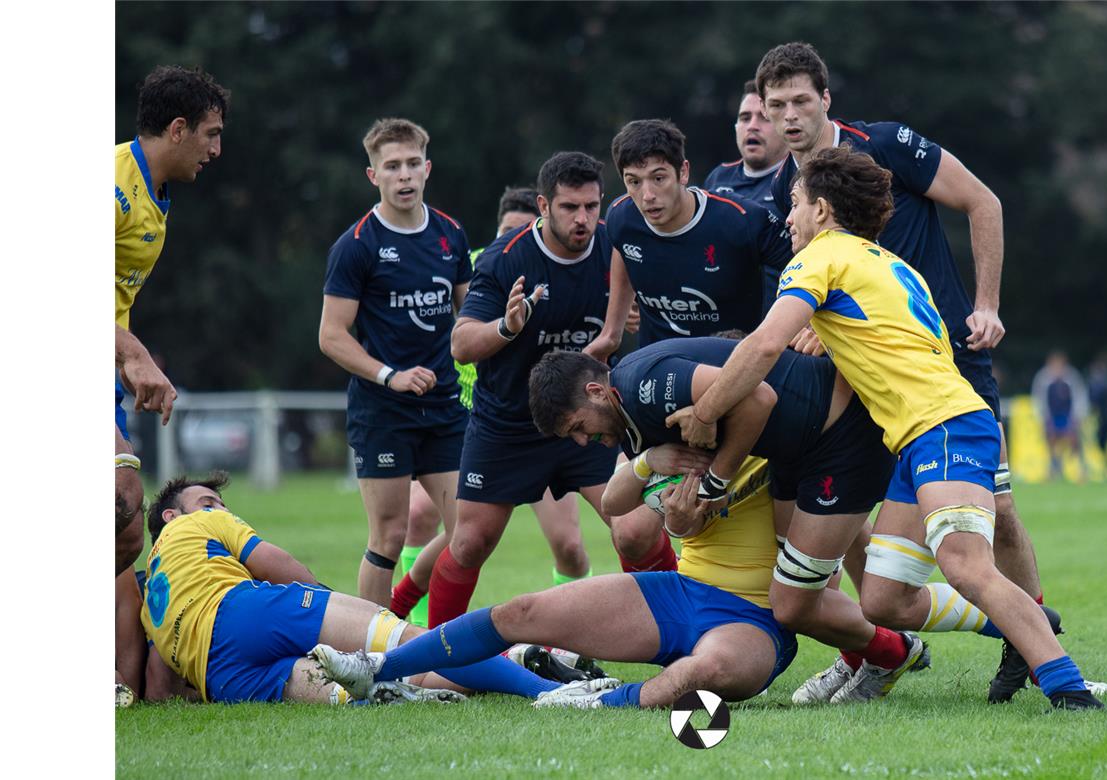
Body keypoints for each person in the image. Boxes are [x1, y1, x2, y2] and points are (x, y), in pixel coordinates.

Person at [671, 147, 1103, 709]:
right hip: (922, 437)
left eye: (796, 204)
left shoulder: (819, 258)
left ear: (823, 211)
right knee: (884, 600)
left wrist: (705, 414)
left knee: (967, 567)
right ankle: (1022, 621)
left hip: (943, 428)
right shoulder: (888, 265)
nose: (787, 218)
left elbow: (764, 344)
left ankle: (1069, 690)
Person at [755, 42, 1056, 702]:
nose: (790, 116)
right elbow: (815, 291)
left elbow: (984, 202)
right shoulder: (787, 191)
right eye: (777, 106)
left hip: (947, 364)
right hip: (861, 379)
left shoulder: (886, 146)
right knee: (839, 511)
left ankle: (1030, 645)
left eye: (802, 101)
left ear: (826, 99)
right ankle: (871, 649)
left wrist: (986, 304)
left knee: (998, 515)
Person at [312, 446, 1010, 709]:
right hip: (676, 597)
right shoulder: (678, 435)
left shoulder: (795, 445)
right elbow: (622, 513)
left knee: (697, 677)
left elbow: (834, 549)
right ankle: (379, 668)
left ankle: (600, 703)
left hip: (754, 622)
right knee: (522, 609)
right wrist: (656, 470)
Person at [530, 339, 936, 704]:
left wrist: (715, 478)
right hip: (763, 441)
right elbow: (621, 503)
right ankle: (879, 653)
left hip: (832, 432)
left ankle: (885, 652)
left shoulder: (734, 407)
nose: (583, 443)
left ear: (596, 392)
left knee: (804, 595)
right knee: (800, 592)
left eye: (579, 429)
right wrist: (663, 488)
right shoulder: (648, 422)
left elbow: (757, 391)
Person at [437, 151, 661, 627]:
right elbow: (460, 344)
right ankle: (432, 658)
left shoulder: (616, 244)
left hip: (593, 420)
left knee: (636, 530)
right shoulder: (506, 258)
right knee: (470, 541)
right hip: (510, 424)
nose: (583, 219)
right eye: (569, 208)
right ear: (543, 205)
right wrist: (507, 326)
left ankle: (682, 639)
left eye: (591, 207)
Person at [136, 472, 567, 704]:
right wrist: (327, 603)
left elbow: (159, 688)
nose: (220, 509)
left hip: (222, 677)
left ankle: (498, 669)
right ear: (172, 517)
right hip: (244, 614)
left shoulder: (151, 598)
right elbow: (282, 567)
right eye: (209, 501)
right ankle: (552, 693)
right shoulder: (200, 523)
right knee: (407, 645)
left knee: (346, 687)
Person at [395, 186, 591, 628]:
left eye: (524, 234)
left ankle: (565, 638)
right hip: (482, 421)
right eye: (508, 232)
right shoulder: (487, 264)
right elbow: (455, 339)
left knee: (571, 546)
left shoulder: (563, 267)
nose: (516, 242)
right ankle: (407, 609)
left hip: (547, 424)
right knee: (448, 528)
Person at [319, 118, 472, 610]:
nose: (403, 176)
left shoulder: (450, 234)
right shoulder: (357, 245)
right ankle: (376, 652)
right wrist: (391, 375)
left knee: (468, 531)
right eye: (392, 167)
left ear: (427, 169)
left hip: (445, 408)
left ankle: (424, 629)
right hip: (383, 411)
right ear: (373, 176)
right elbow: (331, 336)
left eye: (411, 165)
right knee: (389, 536)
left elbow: (469, 317)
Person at [115, 65, 229, 576]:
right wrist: (134, 354)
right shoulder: (112, 185)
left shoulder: (156, 196)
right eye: (212, 134)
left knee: (127, 531)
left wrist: (124, 357)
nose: (216, 151)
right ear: (178, 129)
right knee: (121, 496)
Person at [582, 119, 792, 364]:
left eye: (658, 178)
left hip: (734, 364)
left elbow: (803, 265)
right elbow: (622, 246)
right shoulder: (621, 217)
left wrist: (795, 332)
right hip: (656, 365)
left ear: (683, 172)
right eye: (634, 182)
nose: (647, 195)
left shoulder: (742, 220)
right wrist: (611, 332)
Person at [703, 80, 786, 215]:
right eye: (745, 118)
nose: (752, 126)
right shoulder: (718, 178)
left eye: (765, 118)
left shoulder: (798, 181)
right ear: (736, 127)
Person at [1030, 351, 1089, 482]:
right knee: (1051, 444)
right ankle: (1054, 471)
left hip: (1068, 417)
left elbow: (1080, 396)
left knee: (1075, 444)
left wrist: (1078, 416)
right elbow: (1038, 398)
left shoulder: (1072, 377)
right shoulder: (1043, 378)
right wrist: (1042, 417)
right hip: (1052, 417)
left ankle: (1081, 471)